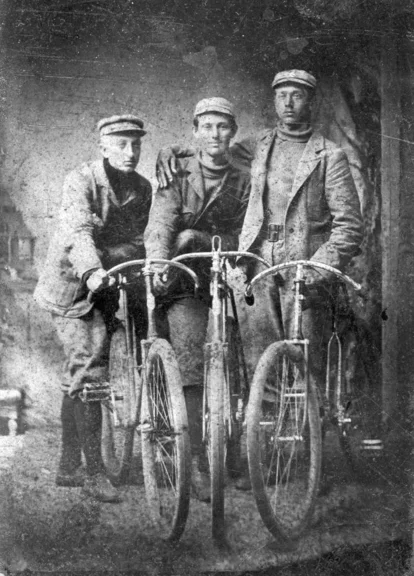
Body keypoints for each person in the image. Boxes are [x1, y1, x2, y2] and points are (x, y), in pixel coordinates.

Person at [156, 71, 364, 489]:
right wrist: (170, 150)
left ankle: (311, 462)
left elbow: (349, 227)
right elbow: (212, 147)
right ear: (274, 102)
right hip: (259, 266)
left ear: (311, 101)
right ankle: (266, 458)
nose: (288, 103)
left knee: (305, 361)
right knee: (260, 364)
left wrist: (320, 266)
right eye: (282, 96)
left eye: (298, 96)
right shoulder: (258, 146)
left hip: (307, 268)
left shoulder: (331, 155)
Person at [34, 115, 152, 502]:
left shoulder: (142, 187)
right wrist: (93, 271)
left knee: (80, 372)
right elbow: (78, 233)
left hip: (109, 284)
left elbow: (138, 243)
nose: (130, 152)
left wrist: (137, 311)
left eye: (135, 144)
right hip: (73, 288)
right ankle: (94, 473)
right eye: (120, 143)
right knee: (90, 368)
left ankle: (68, 466)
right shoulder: (80, 180)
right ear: (103, 145)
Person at [144, 98, 251, 502]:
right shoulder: (176, 175)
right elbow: (161, 223)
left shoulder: (244, 179)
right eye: (206, 127)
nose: (215, 135)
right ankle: (196, 463)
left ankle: (238, 453)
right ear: (194, 131)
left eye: (223, 127)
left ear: (233, 132)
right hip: (185, 282)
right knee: (190, 363)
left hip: (225, 279)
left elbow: (249, 229)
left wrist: (210, 243)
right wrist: (158, 261)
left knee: (234, 360)